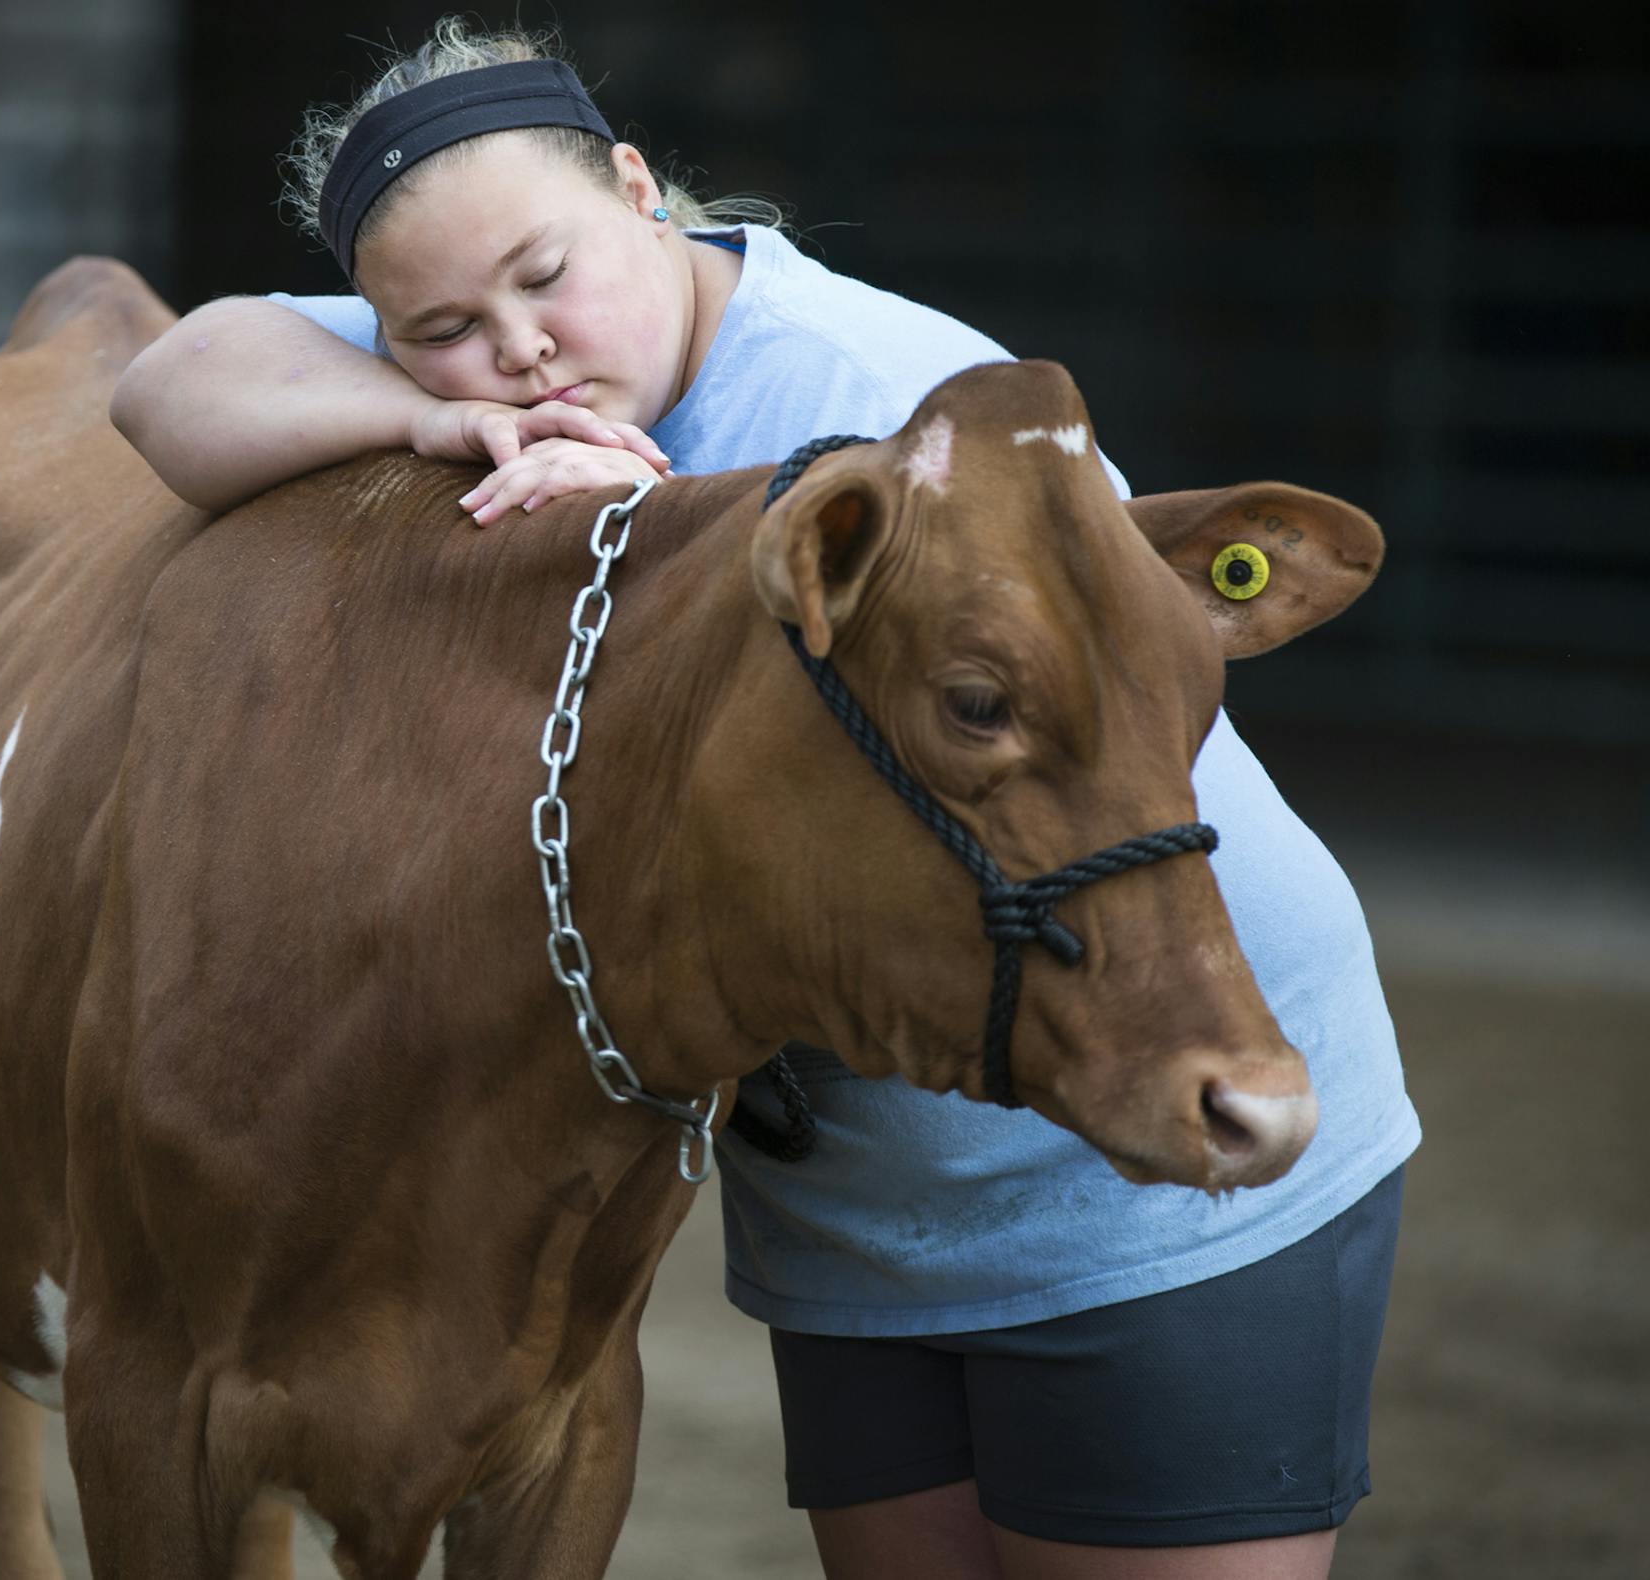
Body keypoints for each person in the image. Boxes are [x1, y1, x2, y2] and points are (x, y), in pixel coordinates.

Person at [109, 18, 1420, 1579]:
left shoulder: (884, 401)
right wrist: (423, 417)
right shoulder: (490, 367)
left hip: (1147, 1143)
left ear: (645, 191)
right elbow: (170, 383)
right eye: (443, 324)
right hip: (864, 1182)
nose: (519, 347)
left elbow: (1093, 723)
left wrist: (675, 540)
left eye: (545, 275)